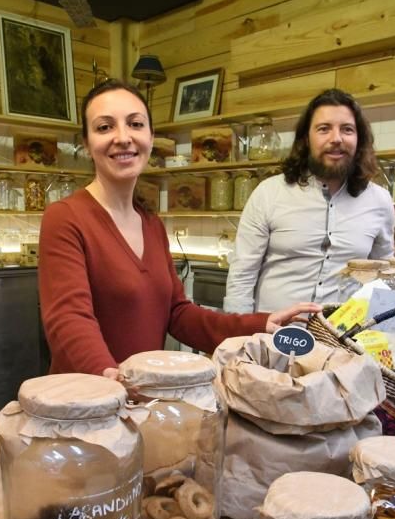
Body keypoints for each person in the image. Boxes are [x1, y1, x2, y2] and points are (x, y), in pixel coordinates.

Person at [38, 79, 320, 379]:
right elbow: (68, 319)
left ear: (150, 135)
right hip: (89, 405)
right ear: (86, 142)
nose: (123, 137)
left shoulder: (151, 224)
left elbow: (178, 314)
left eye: (135, 124)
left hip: (142, 401)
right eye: (105, 127)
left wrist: (260, 324)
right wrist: (110, 376)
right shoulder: (65, 218)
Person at [224, 88, 395, 314]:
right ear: (306, 138)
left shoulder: (380, 201)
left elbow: (384, 277)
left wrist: (389, 341)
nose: (336, 138)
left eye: (347, 129)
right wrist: (239, 334)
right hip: (273, 339)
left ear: (359, 139)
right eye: (324, 129)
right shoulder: (269, 193)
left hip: (342, 339)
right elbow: (242, 274)